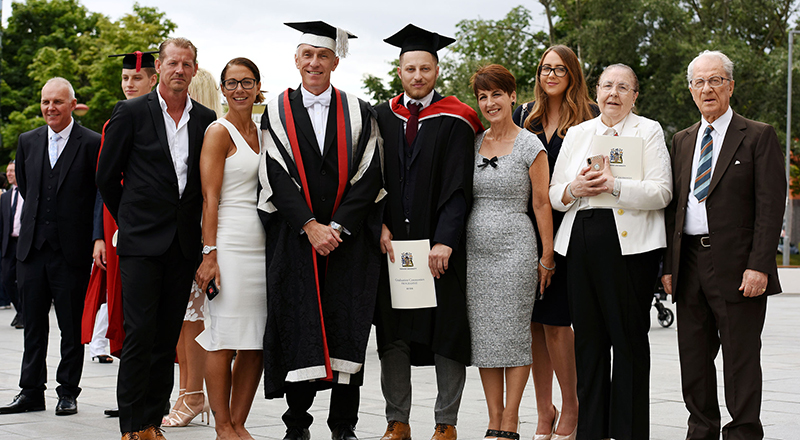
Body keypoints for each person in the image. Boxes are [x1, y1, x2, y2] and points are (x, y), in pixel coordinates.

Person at [258, 21, 383, 440]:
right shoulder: (275, 111)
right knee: (299, 324)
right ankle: (297, 425)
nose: (315, 63)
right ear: (296, 60)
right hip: (297, 241)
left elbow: (370, 176)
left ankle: (344, 425)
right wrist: (310, 226)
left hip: (348, 243)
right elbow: (274, 173)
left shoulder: (359, 109)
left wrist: (339, 226)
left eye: (323, 56)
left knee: (347, 327)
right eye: (307, 55)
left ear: (335, 60)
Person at [97, 37, 217, 439]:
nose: (179, 70)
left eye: (187, 64)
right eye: (173, 63)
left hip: (183, 246)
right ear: (160, 68)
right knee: (139, 334)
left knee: (167, 339)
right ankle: (132, 425)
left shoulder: (204, 118)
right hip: (141, 245)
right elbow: (106, 178)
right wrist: (131, 221)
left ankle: (151, 420)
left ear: (194, 70)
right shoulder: (131, 112)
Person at [662, 50, 785, 440]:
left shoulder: (759, 135)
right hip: (689, 264)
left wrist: (760, 264)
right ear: (691, 90)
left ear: (730, 86)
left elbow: (770, 203)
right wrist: (668, 266)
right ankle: (701, 430)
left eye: (715, 80)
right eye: (699, 82)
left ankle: (744, 432)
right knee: (694, 361)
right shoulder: (681, 141)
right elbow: (672, 210)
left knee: (740, 361)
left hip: (738, 267)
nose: (707, 88)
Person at [549, 64, 672, 440]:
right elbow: (555, 194)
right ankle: (591, 430)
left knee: (629, 340)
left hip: (630, 247)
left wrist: (616, 186)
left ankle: (630, 432)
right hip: (582, 240)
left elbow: (662, 191)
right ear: (596, 92)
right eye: (606, 86)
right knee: (588, 341)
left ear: (635, 95)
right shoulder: (579, 133)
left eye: (623, 87)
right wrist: (575, 188)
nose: (613, 94)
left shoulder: (647, 130)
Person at [374, 24, 483, 440]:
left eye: (425, 68)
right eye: (409, 69)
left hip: (440, 247)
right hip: (394, 245)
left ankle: (446, 423)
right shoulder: (382, 115)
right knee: (393, 334)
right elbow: (371, 178)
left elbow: (459, 185)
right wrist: (378, 223)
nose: (417, 76)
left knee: (447, 332)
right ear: (399, 71)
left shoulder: (457, 118)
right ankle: (396, 420)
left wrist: (446, 240)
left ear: (437, 69)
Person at [0, 77, 101, 416]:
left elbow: (95, 194)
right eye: (45, 102)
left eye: (57, 102)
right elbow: (28, 187)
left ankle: (68, 392)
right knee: (33, 324)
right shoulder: (27, 141)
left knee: (71, 328)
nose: (50, 108)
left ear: (73, 105)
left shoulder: (91, 143)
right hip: (31, 249)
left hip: (71, 252)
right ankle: (30, 391)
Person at [511, 45, 598, 440]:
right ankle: (544, 410)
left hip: (569, 229)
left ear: (572, 74)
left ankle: (573, 405)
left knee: (558, 322)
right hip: (524, 230)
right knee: (533, 322)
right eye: (546, 68)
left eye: (559, 69)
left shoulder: (590, 117)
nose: (551, 75)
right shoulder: (522, 115)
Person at [467, 64, 554, 440]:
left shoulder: (531, 145)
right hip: (476, 253)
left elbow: (541, 204)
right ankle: (494, 417)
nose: (490, 103)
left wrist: (546, 257)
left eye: (496, 94)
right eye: (483, 96)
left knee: (516, 334)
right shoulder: (472, 142)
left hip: (517, 250)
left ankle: (512, 418)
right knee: (484, 336)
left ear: (513, 95)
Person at [194, 57, 266, 440]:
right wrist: (210, 254)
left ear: (258, 87)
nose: (240, 89)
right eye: (232, 83)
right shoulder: (217, 132)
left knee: (255, 342)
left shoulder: (264, 132)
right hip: (229, 245)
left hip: (262, 247)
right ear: (222, 89)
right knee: (223, 338)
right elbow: (209, 197)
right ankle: (222, 425)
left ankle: (240, 423)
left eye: (247, 82)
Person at [161, 67, 221, 428]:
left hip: (203, 234)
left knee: (193, 320)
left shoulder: (206, 131)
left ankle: (193, 394)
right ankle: (189, 392)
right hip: (191, 232)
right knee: (186, 318)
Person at [0, 160, 24, 330]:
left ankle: (24, 314)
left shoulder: (28, 192)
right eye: (8, 171)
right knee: (7, 279)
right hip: (9, 244)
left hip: (24, 243)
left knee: (23, 281)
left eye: (12, 171)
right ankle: (21, 310)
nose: (9, 174)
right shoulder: (6, 196)